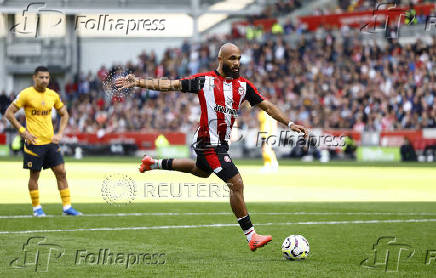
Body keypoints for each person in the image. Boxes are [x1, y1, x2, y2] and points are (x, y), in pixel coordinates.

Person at [115, 43, 308, 251]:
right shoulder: (204, 81)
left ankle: (152, 164)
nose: (236, 63)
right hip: (209, 143)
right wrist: (138, 82)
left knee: (200, 171)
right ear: (220, 59)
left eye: (238, 59)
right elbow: (170, 85)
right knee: (236, 183)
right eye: (232, 58)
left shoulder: (244, 86)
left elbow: (268, 107)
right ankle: (251, 236)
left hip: (218, 144)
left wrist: (289, 124)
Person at [5, 66, 82, 217]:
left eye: (47, 77)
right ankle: (37, 208)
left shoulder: (52, 95)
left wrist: (60, 133)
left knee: (62, 172)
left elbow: (64, 114)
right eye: (41, 77)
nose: (45, 80)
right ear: (34, 78)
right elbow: (9, 113)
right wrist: (22, 132)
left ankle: (67, 207)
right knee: (34, 176)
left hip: (51, 143)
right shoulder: (26, 94)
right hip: (34, 143)